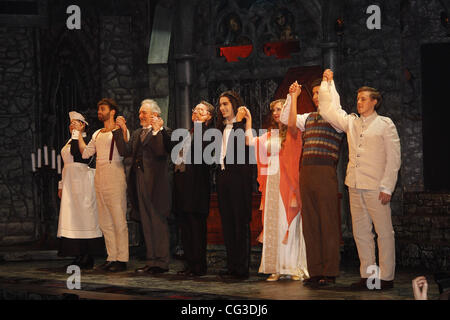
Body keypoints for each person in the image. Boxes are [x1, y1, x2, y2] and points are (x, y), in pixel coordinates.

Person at [318, 69, 401, 290]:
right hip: (355, 185)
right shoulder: (352, 122)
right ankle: (369, 277)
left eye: (363, 99)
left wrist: (387, 187)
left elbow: (394, 160)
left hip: (377, 187)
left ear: (375, 101)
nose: (359, 102)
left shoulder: (385, 124)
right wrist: (328, 84)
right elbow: (329, 110)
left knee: (384, 232)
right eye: (357, 99)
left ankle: (386, 277)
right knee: (361, 232)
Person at [280, 79, 344, 287]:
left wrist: (329, 82)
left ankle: (330, 271)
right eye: (315, 93)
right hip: (306, 171)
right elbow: (287, 121)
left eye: (320, 93)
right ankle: (315, 271)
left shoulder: (336, 118)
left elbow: (333, 104)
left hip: (325, 171)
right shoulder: (308, 118)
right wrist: (293, 97)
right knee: (311, 224)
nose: (317, 96)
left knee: (327, 221)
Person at [241, 91, 308, 282]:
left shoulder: (295, 133)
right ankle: (276, 267)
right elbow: (249, 141)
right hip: (272, 183)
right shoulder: (270, 135)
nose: (277, 112)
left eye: (281, 109)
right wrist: (249, 120)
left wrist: (293, 99)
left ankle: (293, 266)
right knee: (273, 224)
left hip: (288, 182)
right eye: (275, 110)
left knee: (290, 222)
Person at [113, 99, 172, 275]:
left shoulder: (165, 132)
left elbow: (160, 151)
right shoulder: (138, 133)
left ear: (155, 115)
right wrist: (121, 131)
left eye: (143, 113)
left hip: (156, 183)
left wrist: (156, 131)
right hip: (139, 180)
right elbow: (125, 151)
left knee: (158, 222)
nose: (140, 116)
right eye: (140, 113)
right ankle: (151, 260)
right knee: (146, 222)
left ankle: (161, 262)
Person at [74, 98, 130, 273]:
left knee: (118, 219)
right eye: (99, 109)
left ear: (112, 111)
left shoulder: (119, 130)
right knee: (105, 221)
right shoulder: (97, 133)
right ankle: (111, 256)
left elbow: (125, 149)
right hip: (100, 177)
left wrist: (123, 129)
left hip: (115, 176)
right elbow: (85, 153)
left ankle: (122, 259)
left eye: (103, 109)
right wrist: (79, 133)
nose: (100, 112)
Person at [57, 111, 104, 270]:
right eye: (71, 123)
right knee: (72, 218)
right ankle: (77, 254)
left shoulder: (85, 140)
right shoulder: (70, 141)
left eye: (76, 123)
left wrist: (77, 134)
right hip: (70, 183)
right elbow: (65, 165)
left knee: (84, 218)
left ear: (83, 125)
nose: (72, 125)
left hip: (83, 182)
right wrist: (61, 185)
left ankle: (87, 256)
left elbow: (81, 155)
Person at [173, 101, 215, 277]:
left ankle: (198, 266)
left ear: (209, 117)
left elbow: (204, 158)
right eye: (195, 110)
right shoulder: (189, 133)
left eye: (201, 111)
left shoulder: (209, 134)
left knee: (196, 228)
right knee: (186, 226)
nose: (196, 113)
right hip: (184, 187)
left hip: (197, 188)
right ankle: (190, 263)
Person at [216, 91, 254, 280]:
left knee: (240, 222)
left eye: (226, 104)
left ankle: (241, 268)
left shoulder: (244, 125)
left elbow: (239, 148)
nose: (222, 108)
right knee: (228, 222)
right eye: (220, 105)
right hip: (224, 177)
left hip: (239, 179)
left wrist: (241, 122)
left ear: (234, 105)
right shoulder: (221, 127)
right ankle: (232, 265)